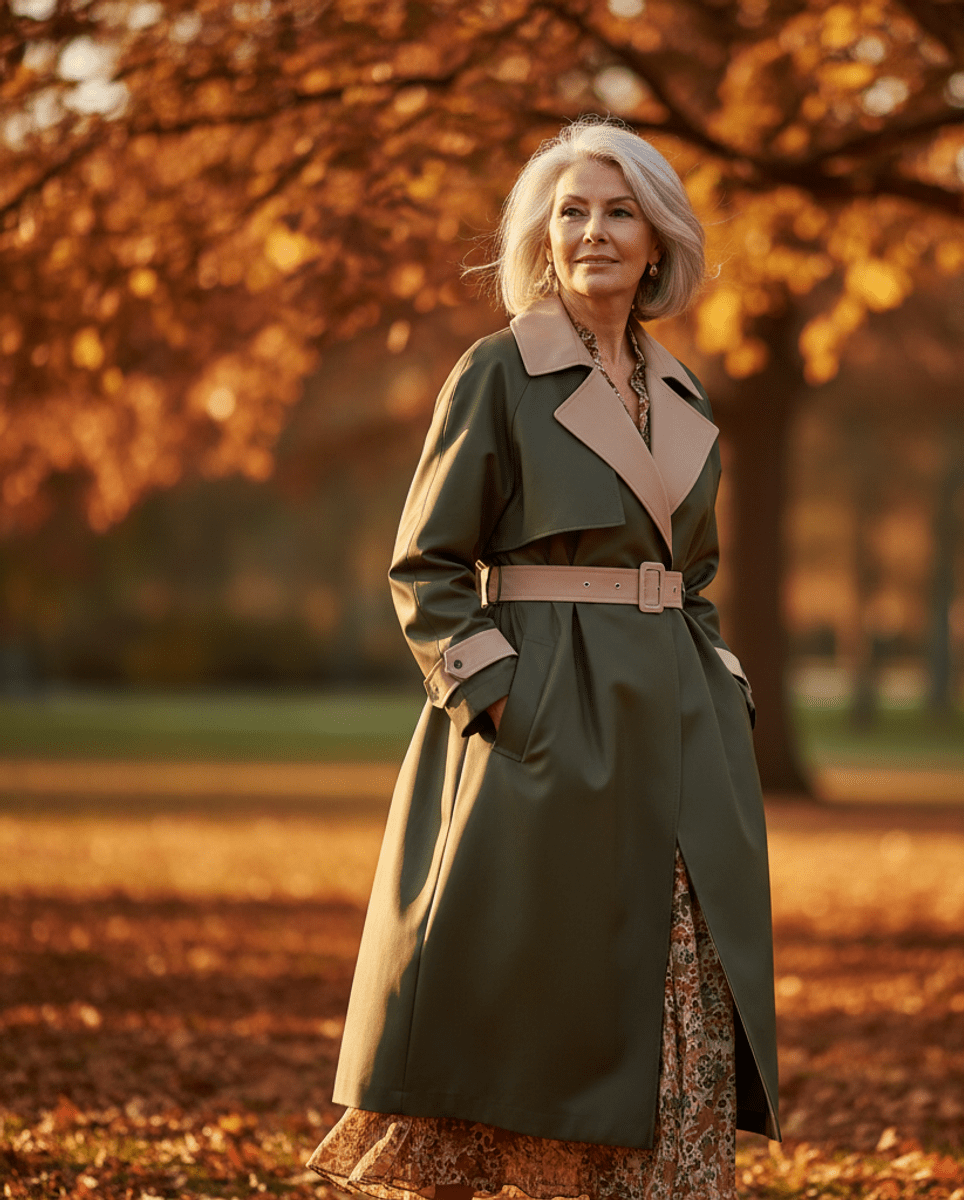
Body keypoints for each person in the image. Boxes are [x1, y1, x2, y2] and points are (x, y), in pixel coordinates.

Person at [307, 117, 779, 1200]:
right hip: (543, 725)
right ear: (544, 236)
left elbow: (695, 577)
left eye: (620, 212)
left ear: (657, 244)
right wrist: (502, 702)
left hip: (678, 733)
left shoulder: (686, 393)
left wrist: (723, 689)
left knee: (677, 977)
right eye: (572, 212)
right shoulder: (498, 372)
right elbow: (425, 565)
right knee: (532, 997)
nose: (595, 231)